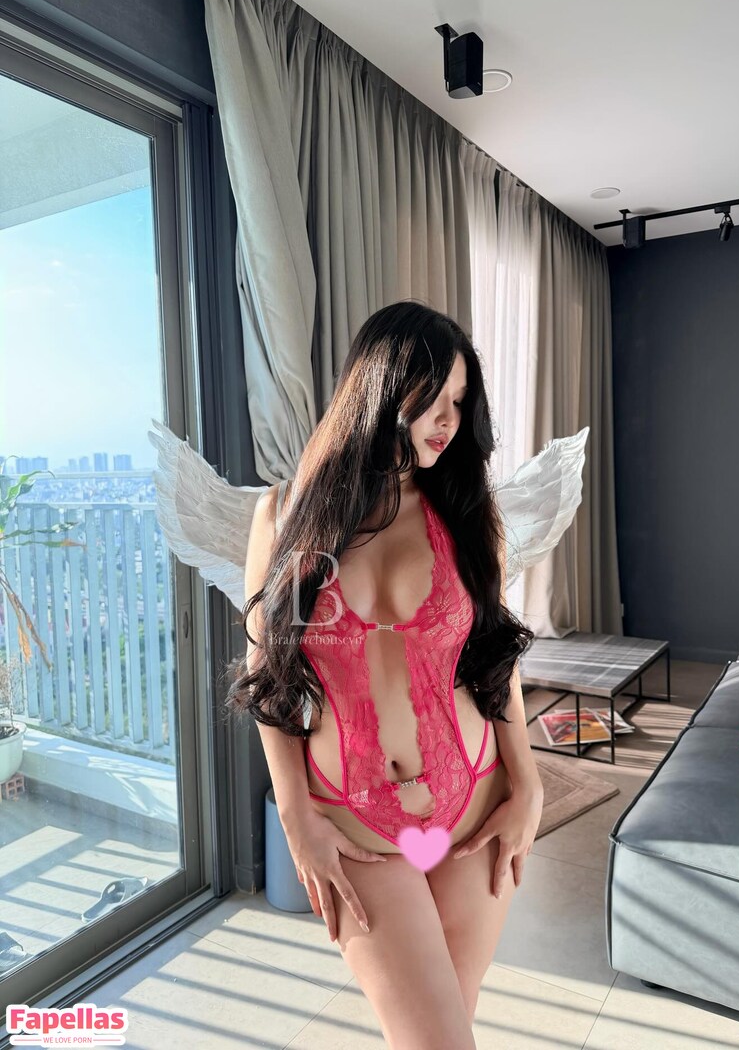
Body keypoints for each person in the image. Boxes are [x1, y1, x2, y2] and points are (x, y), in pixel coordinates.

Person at [225, 300, 544, 1049]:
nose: (449, 420)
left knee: (444, 1033)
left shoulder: (467, 510)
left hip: (474, 797)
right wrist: (294, 814)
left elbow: (495, 656)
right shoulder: (284, 515)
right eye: (433, 397)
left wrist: (528, 784)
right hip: (351, 818)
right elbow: (267, 673)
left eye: (461, 401)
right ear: (381, 386)